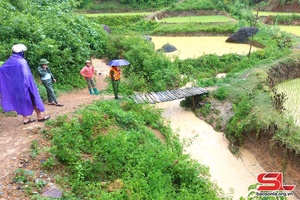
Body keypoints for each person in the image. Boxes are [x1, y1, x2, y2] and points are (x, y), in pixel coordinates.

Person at [0, 44, 50, 124]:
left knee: (21, 100)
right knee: (33, 98)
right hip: (25, 85)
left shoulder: (9, 61)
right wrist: (31, 85)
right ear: (21, 52)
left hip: (15, 87)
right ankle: (40, 116)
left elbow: (2, 69)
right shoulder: (22, 61)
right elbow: (26, 75)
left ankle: (25, 119)